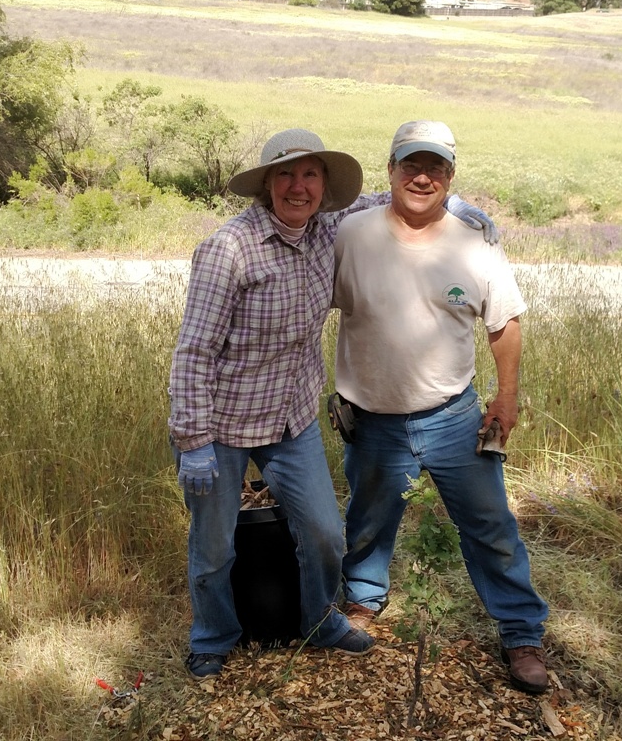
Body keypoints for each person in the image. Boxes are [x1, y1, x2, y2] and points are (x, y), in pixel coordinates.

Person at [168, 127, 498, 680]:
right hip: (220, 423)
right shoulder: (229, 249)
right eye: (286, 175)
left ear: (324, 186)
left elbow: (389, 198)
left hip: (289, 418)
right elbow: (194, 350)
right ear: (266, 184)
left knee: (323, 531)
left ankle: (318, 620)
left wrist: (453, 206)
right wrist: (193, 441)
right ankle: (213, 635)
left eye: (311, 174)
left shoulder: (328, 230)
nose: (299, 187)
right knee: (214, 546)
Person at [332, 120, 552, 694]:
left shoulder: (473, 242)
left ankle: (521, 634)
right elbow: (306, 302)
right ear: (391, 171)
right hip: (372, 417)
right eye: (410, 165)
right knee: (369, 520)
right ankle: (361, 603)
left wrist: (507, 396)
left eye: (435, 168)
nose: (421, 177)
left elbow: (503, 320)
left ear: (451, 177)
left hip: (453, 417)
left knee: (490, 526)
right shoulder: (349, 235)